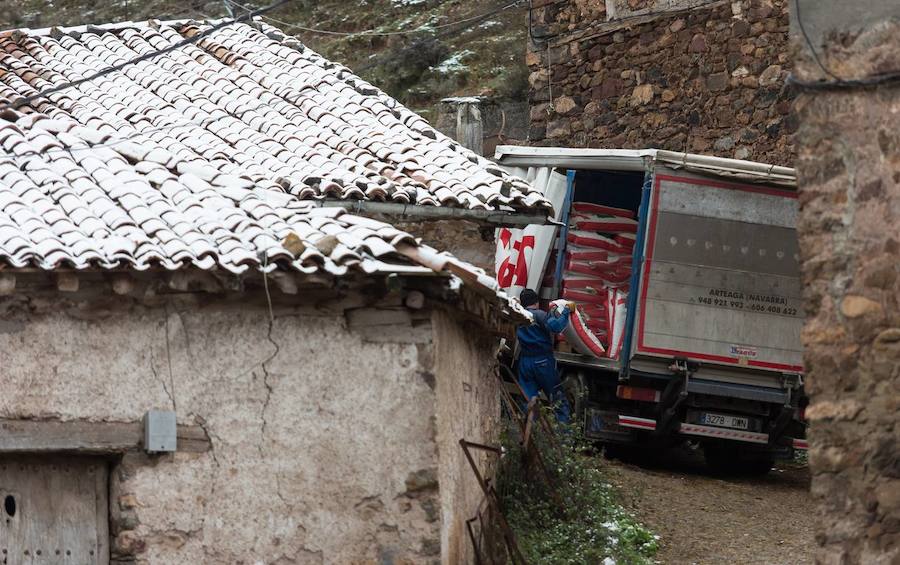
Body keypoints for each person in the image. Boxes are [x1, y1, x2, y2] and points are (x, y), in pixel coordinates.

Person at [516, 288, 572, 424]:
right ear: (536, 302)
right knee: (557, 399)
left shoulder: (517, 316)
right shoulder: (539, 315)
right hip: (542, 362)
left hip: (525, 363)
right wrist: (566, 312)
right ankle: (564, 439)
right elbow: (556, 327)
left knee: (529, 400)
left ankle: (531, 434)